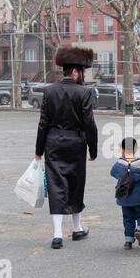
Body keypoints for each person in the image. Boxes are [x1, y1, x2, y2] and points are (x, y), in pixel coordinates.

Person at [35, 45, 98, 249]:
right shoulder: (85, 93)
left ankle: (57, 234)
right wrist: (93, 148)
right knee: (76, 184)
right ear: (75, 71)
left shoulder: (49, 91)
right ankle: (77, 228)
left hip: (53, 143)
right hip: (76, 143)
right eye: (82, 72)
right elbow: (89, 123)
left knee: (55, 185)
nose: (83, 76)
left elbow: (43, 122)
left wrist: (38, 150)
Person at [110, 138, 140, 250]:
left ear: (123, 150)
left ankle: (128, 241)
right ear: (136, 149)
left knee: (128, 218)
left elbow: (113, 173)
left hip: (125, 197)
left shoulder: (119, 164)